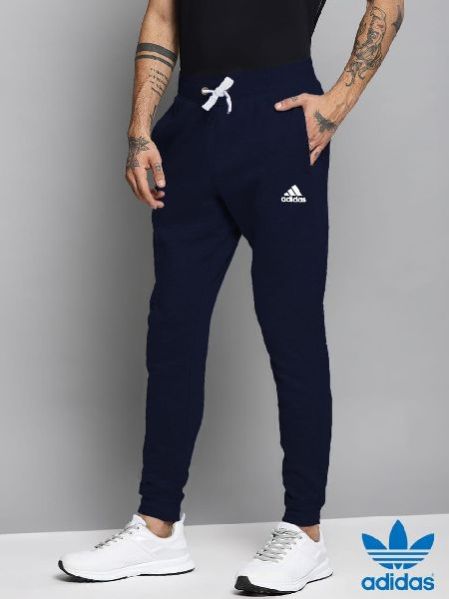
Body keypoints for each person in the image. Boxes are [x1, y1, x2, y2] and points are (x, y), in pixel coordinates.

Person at [59, 0, 404, 593]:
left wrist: (337, 103)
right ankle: (158, 527)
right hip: (192, 126)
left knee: (291, 327)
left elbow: (389, 4)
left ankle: (305, 532)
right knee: (172, 329)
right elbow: (163, 14)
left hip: (278, 124)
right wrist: (140, 128)